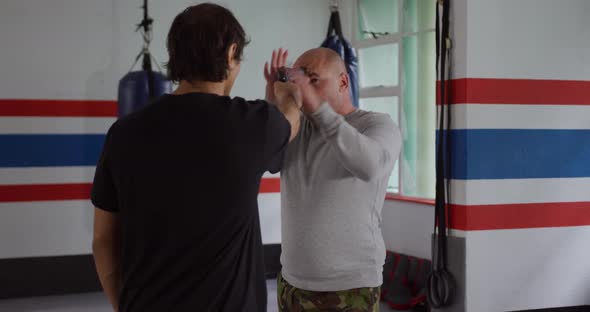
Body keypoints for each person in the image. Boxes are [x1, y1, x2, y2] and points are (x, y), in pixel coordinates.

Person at [91, 4, 301, 312]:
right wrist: (284, 89)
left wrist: (123, 305)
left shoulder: (123, 133)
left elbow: (103, 240)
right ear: (231, 53)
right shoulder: (253, 124)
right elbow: (291, 118)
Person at [264, 48, 402, 311]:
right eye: (299, 82)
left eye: (313, 80)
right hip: (293, 283)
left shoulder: (377, 125)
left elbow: (370, 166)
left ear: (342, 81)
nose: (304, 90)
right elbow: (270, 162)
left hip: (349, 287)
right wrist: (273, 105)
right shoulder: (297, 127)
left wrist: (317, 109)